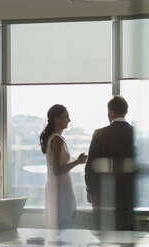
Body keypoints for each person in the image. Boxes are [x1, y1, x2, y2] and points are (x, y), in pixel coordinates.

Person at [85, 95, 135, 230]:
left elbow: (90, 169)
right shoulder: (135, 134)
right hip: (127, 202)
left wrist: (93, 196)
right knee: (127, 245)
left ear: (110, 111)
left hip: (103, 202)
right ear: (126, 111)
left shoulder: (99, 134)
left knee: (102, 245)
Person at [40, 104, 87, 229]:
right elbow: (57, 170)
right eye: (66, 117)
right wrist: (78, 161)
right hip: (60, 189)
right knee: (65, 225)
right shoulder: (57, 140)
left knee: (60, 225)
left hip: (55, 186)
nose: (69, 120)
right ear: (56, 119)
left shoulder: (53, 138)